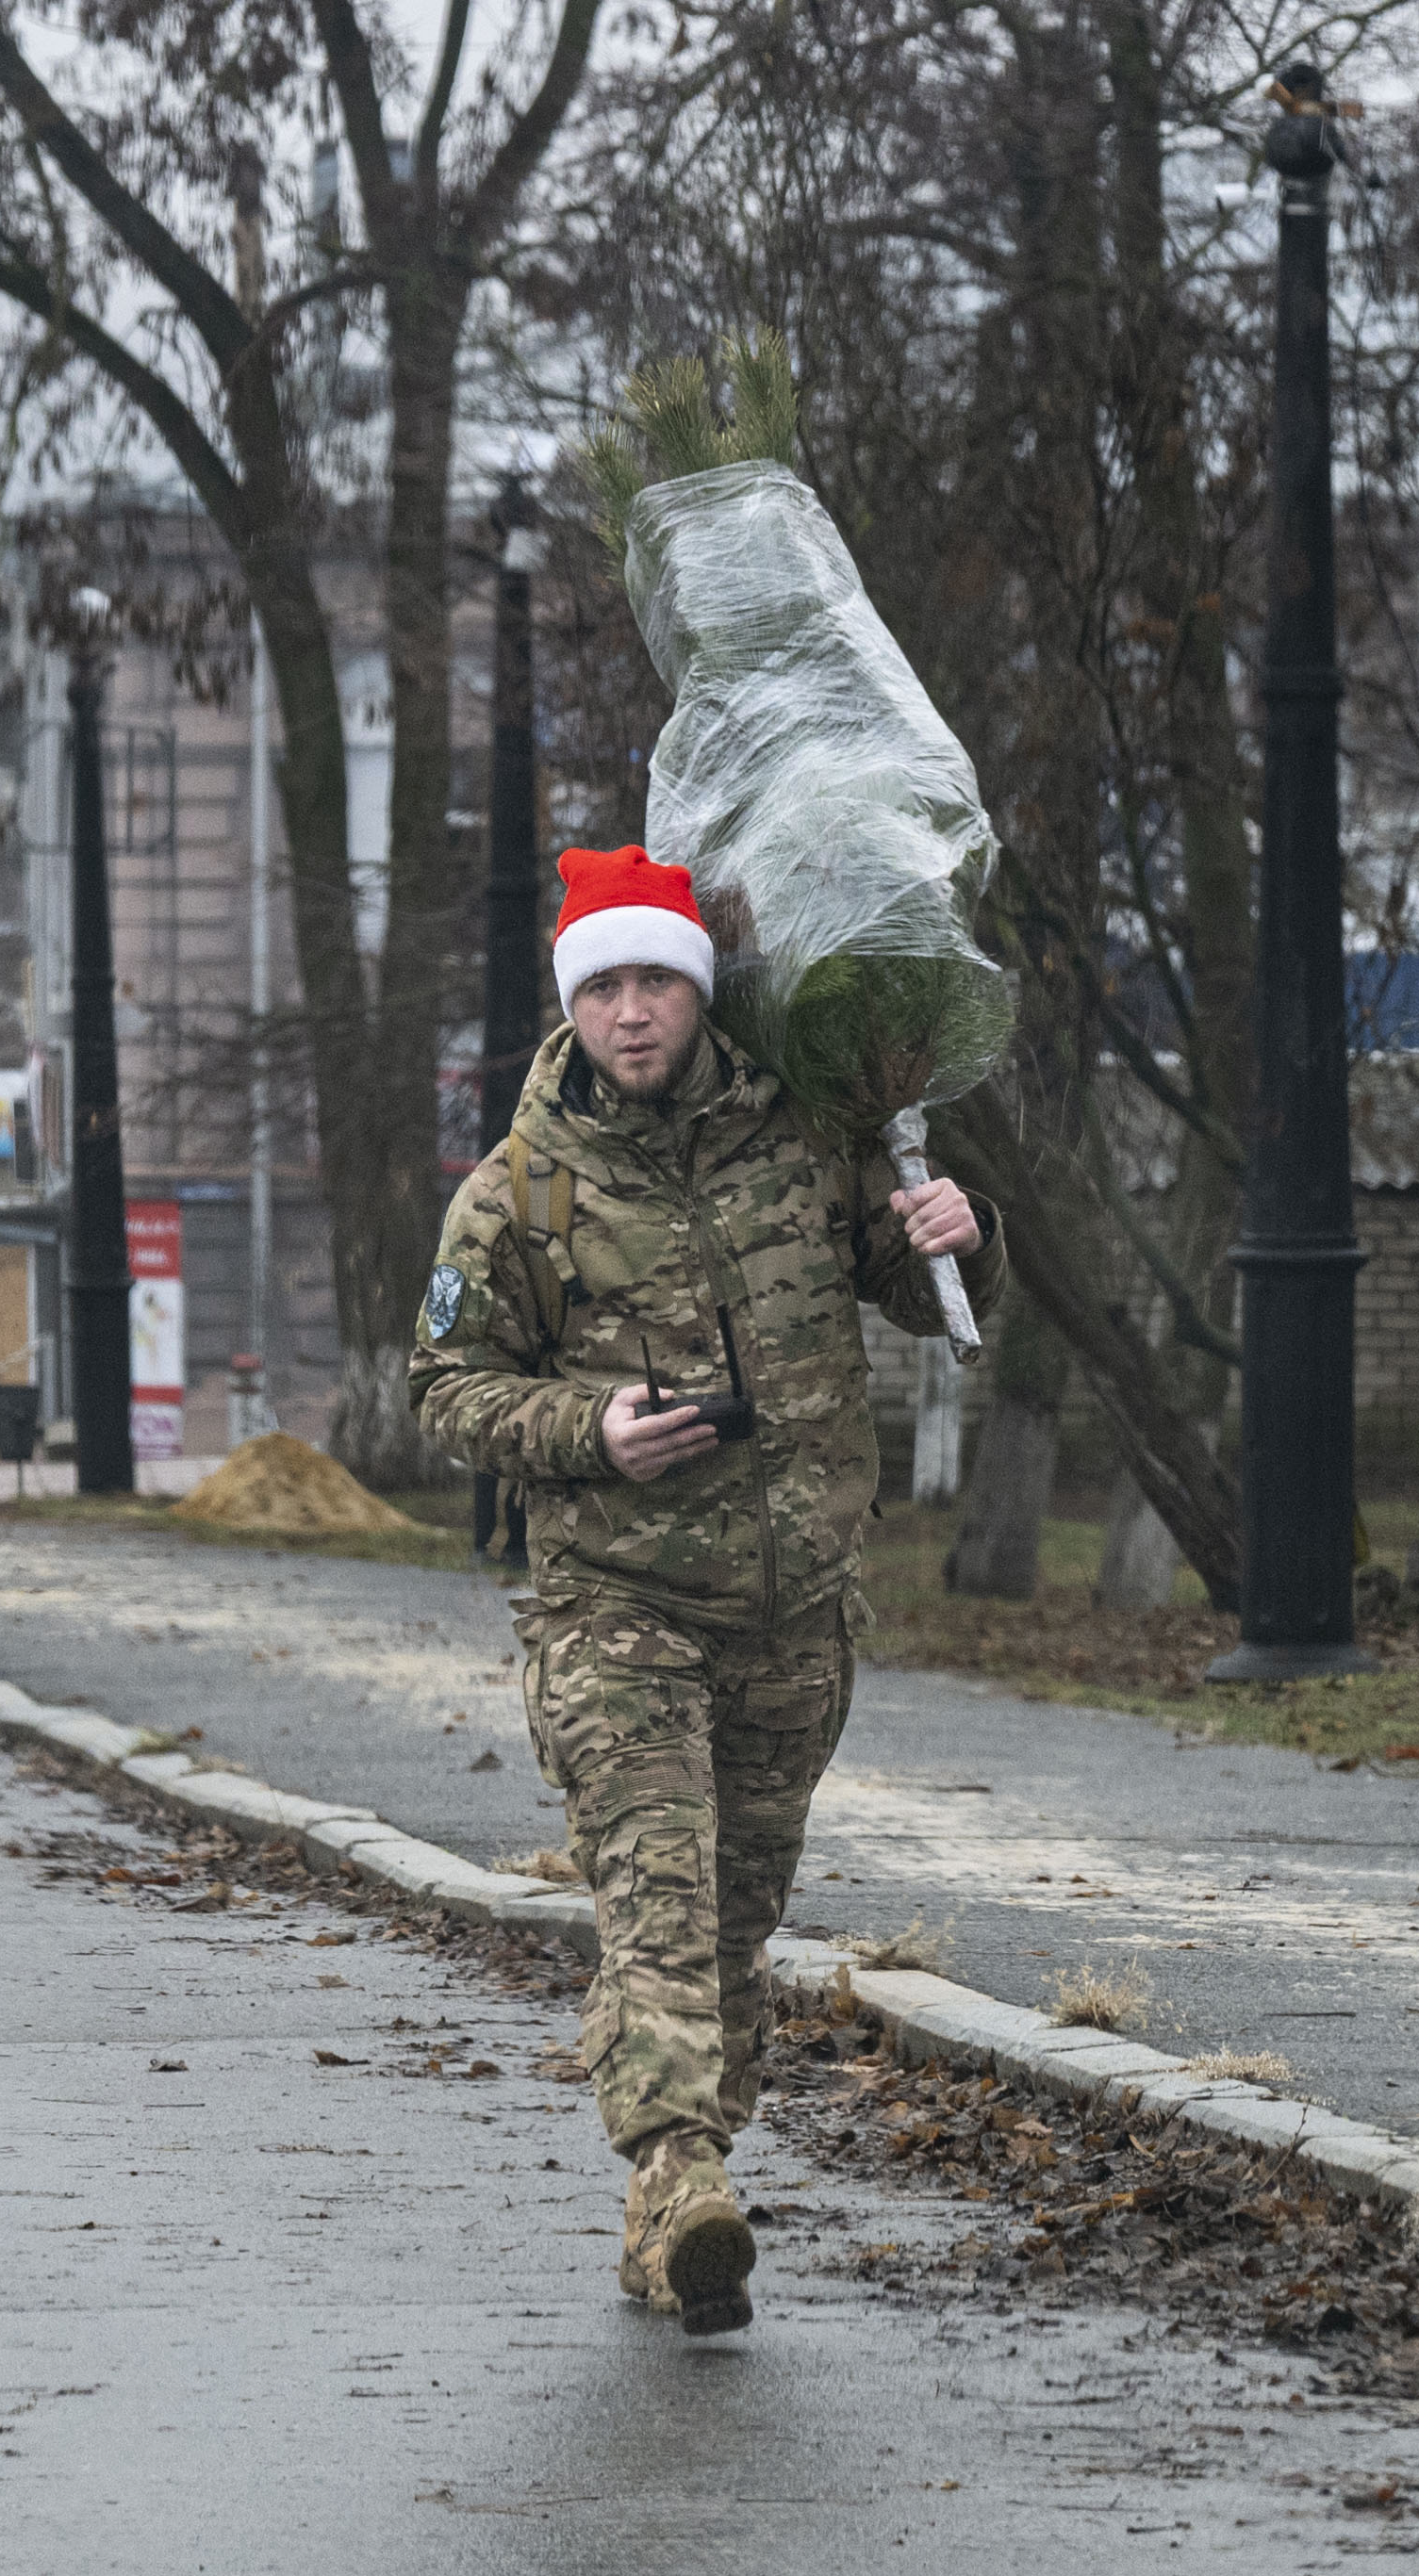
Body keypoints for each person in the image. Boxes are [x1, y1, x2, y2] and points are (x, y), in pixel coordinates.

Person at [408, 844, 998, 2336]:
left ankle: (667, 2204)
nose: (629, 1012)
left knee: (734, 1927)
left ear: (700, 990)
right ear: (572, 1004)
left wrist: (947, 1231)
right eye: (601, 984)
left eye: (654, 980)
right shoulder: (520, 1191)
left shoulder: (807, 1131)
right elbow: (445, 1388)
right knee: (659, 1901)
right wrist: (585, 1433)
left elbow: (899, 1276)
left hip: (795, 1615)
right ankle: (681, 2180)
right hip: (616, 1608)